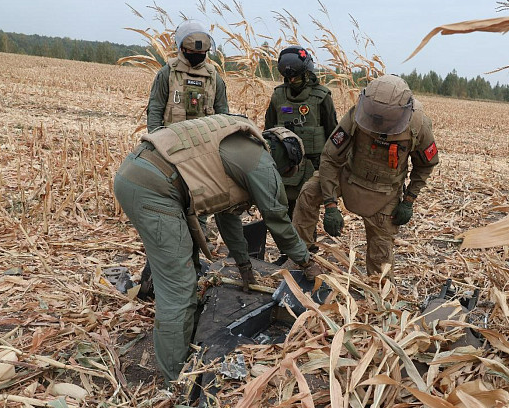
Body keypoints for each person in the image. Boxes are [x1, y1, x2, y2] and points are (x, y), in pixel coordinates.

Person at [114, 114, 321, 383]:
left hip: (141, 173)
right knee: (179, 287)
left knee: (188, 265)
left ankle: (181, 343)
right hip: (155, 187)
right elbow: (278, 219)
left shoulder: (240, 145)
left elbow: (228, 217)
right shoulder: (262, 162)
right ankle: (175, 379)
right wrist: (306, 261)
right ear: (287, 159)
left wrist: (244, 267)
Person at [292, 75, 438, 277]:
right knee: (308, 193)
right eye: (375, 117)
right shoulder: (358, 115)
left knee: (381, 257)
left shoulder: (417, 126)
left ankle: (378, 294)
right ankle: (301, 257)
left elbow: (426, 165)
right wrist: (330, 204)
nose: (379, 125)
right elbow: (330, 158)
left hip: (385, 191)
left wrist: (409, 200)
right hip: (349, 175)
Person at [264, 46, 337, 218]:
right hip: (286, 167)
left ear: (307, 73)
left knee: (307, 211)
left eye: (296, 76)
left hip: (313, 167)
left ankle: (307, 244)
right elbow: (268, 130)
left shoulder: (322, 97)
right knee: (285, 210)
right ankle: (291, 244)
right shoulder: (278, 96)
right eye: (288, 77)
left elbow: (333, 133)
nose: (292, 81)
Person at [146, 20, 229, 133]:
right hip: (171, 140)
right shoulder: (167, 73)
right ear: (183, 49)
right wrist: (155, 139)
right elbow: (155, 109)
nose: (197, 55)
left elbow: (223, 115)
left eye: (201, 53)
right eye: (192, 51)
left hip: (205, 143)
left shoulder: (213, 77)